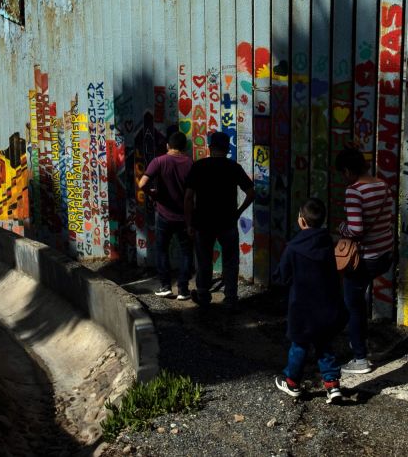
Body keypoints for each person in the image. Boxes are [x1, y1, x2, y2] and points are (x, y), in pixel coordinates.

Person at [272, 197, 346, 404]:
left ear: (302, 221)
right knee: (325, 346)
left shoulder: (293, 248)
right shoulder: (328, 244)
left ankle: (292, 382)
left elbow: (281, 276)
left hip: (302, 307)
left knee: (300, 346)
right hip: (327, 305)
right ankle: (332, 386)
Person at [333, 147, 395, 375]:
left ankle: (360, 358)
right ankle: (360, 339)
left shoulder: (354, 191)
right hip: (384, 254)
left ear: (348, 170)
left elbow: (356, 229)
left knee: (353, 305)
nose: (343, 177)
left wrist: (341, 227)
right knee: (360, 297)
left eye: (343, 173)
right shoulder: (382, 185)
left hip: (365, 258)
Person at [184, 131, 255, 309]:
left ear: (210, 147)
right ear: (227, 148)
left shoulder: (198, 166)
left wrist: (189, 223)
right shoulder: (234, 167)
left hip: (203, 222)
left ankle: (203, 294)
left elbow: (188, 197)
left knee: (204, 260)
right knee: (230, 262)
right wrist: (239, 212)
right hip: (227, 222)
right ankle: (230, 298)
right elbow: (251, 193)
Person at [137, 131, 194, 300]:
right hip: (184, 216)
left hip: (163, 214)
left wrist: (153, 194)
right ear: (184, 147)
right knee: (186, 252)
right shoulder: (190, 163)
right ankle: (183, 290)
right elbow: (192, 194)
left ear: (168, 146)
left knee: (162, 249)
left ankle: (165, 286)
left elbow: (142, 183)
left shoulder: (159, 161)